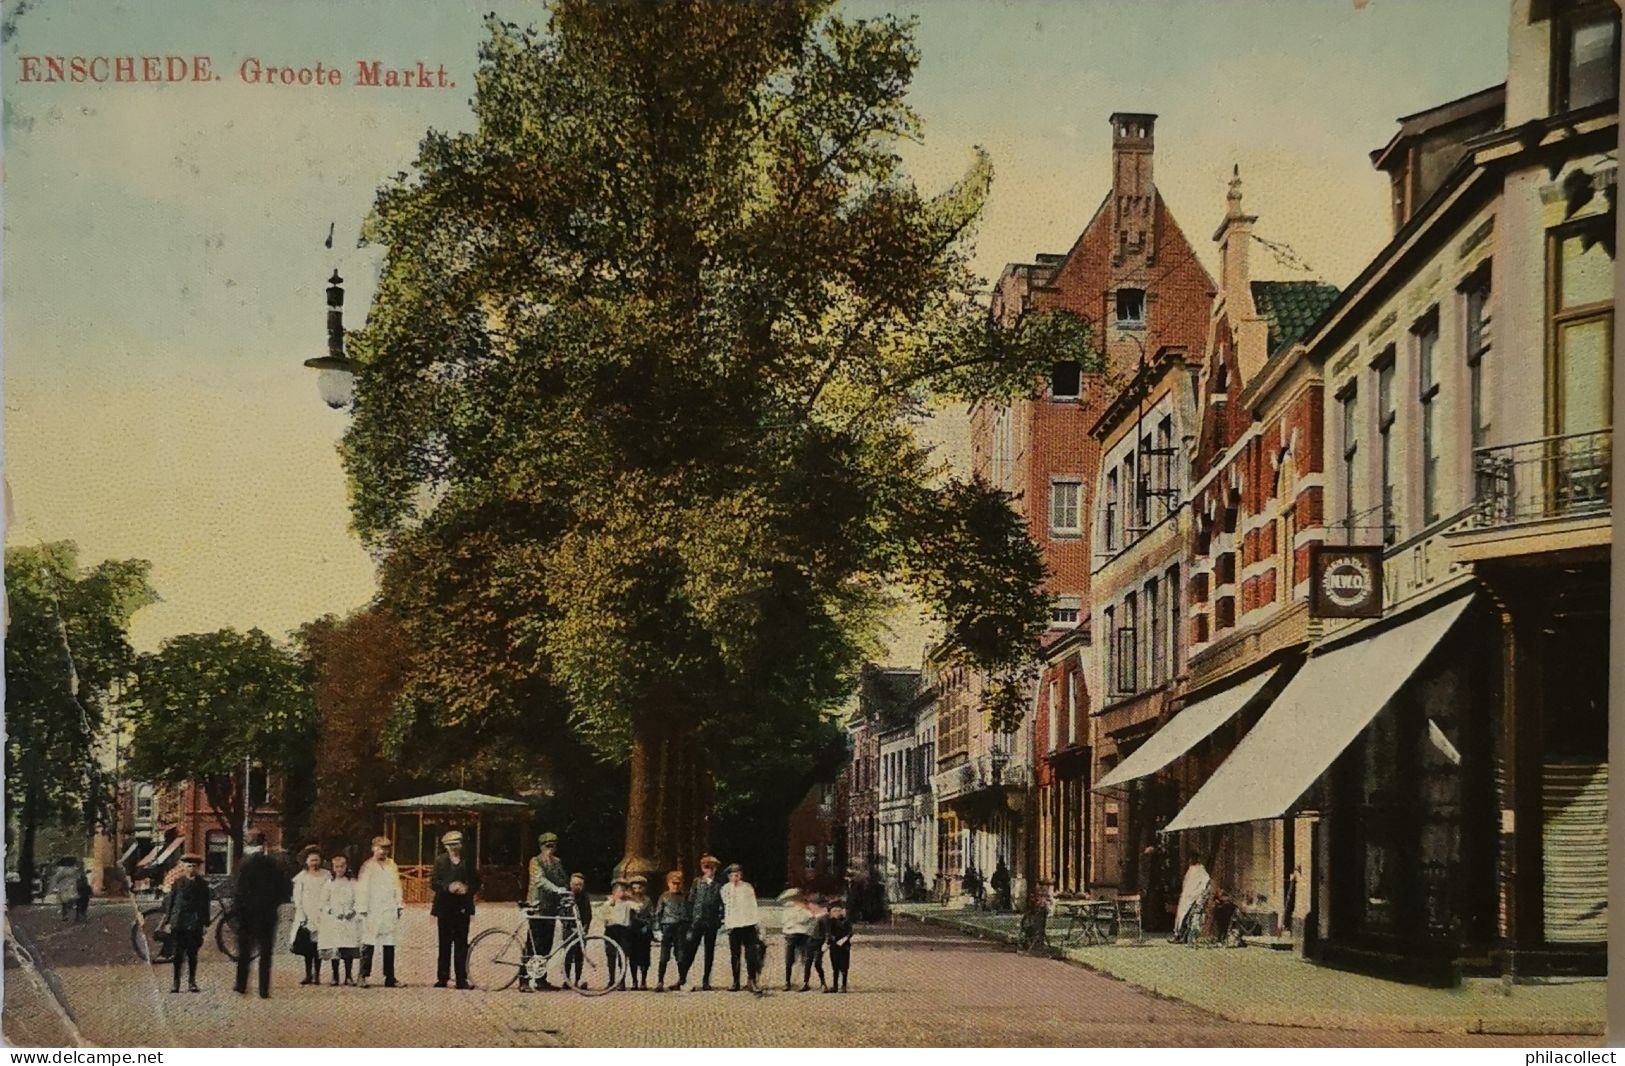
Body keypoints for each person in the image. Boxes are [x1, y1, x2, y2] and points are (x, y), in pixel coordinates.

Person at [234, 832, 284, 998]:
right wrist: (272, 904)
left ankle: (241, 985)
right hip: (267, 914)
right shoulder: (273, 864)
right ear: (263, 846)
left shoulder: (243, 864)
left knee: (244, 951)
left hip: (247, 914)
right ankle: (264, 989)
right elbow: (283, 889)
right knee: (265, 953)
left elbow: (238, 891)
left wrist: (240, 911)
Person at [430, 830, 480, 989]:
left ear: (461, 845)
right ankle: (442, 977)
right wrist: (448, 887)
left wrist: (467, 888)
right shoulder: (440, 861)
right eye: (450, 845)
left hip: (462, 908)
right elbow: (433, 883)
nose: (453, 848)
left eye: (456, 844)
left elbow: (477, 882)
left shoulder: (468, 861)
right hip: (445, 906)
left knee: (461, 944)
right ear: (445, 846)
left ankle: (461, 979)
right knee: (444, 943)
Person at [520, 831, 567, 992]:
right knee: (533, 944)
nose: (550, 849)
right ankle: (524, 980)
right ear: (541, 846)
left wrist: (566, 890)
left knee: (546, 945)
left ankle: (541, 979)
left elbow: (562, 880)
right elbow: (539, 880)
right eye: (547, 846)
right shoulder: (535, 861)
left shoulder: (557, 862)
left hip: (551, 908)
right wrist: (557, 889)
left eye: (553, 845)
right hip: (537, 907)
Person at [356, 836, 404, 988]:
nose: (383, 851)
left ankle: (389, 977)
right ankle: (363, 975)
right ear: (373, 848)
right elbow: (362, 888)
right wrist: (362, 908)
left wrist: (398, 904)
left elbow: (397, 884)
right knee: (368, 942)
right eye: (380, 848)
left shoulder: (392, 864)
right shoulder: (367, 866)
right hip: (372, 909)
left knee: (389, 943)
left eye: (386, 848)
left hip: (388, 908)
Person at [165, 855, 210, 993]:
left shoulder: (202, 885)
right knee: (178, 954)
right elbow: (171, 903)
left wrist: (204, 924)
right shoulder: (178, 883)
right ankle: (176, 982)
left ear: (198, 868)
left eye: (194, 866)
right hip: (179, 921)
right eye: (188, 866)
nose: (191, 869)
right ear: (183, 867)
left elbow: (205, 905)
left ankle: (192, 981)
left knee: (192, 954)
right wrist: (168, 921)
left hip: (194, 923)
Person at [720, 863, 763, 996]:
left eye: (737, 874)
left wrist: (756, 923)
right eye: (732, 875)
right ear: (728, 876)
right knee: (735, 954)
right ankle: (735, 981)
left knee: (750, 954)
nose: (735, 877)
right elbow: (727, 906)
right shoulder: (725, 889)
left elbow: (753, 906)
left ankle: (752, 980)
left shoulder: (747, 887)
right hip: (734, 925)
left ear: (741, 875)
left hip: (748, 924)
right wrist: (728, 925)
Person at [318, 853, 361, 986]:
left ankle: (348, 976)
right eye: (337, 867)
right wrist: (332, 911)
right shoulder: (329, 884)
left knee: (348, 948)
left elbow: (359, 900)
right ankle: (335, 975)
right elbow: (323, 902)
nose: (339, 869)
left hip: (349, 919)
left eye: (342, 866)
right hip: (334, 920)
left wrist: (352, 911)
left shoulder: (352, 883)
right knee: (335, 948)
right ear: (333, 868)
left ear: (346, 867)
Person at [683, 854, 724, 991]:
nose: (709, 870)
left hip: (711, 921)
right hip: (697, 920)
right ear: (702, 868)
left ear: (716, 869)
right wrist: (690, 919)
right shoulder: (697, 882)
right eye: (706, 867)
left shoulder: (719, 885)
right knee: (690, 949)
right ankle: (683, 977)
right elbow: (690, 901)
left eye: (712, 868)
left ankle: (706, 980)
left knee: (709, 951)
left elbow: (723, 903)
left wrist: (720, 918)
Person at [289, 846, 328, 985]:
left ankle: (317, 974)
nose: (314, 863)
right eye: (311, 860)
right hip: (306, 912)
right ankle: (308, 974)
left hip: (321, 913)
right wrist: (301, 914)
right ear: (306, 861)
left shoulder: (326, 875)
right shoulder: (302, 877)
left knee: (318, 946)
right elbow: (297, 897)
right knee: (307, 947)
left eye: (317, 860)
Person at [652, 870, 688, 992]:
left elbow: (687, 914)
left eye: (678, 883)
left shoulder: (684, 897)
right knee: (664, 956)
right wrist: (657, 929)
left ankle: (682, 980)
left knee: (681, 956)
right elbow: (658, 914)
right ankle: (660, 981)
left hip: (680, 928)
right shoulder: (664, 897)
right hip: (667, 927)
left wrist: (688, 928)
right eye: (673, 883)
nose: (676, 886)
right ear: (668, 883)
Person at [780, 889, 816, 992]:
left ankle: (804, 982)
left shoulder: (806, 910)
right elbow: (784, 922)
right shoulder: (788, 910)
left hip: (803, 934)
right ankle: (787, 981)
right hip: (791, 934)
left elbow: (808, 920)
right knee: (789, 959)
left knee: (805, 959)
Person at [561, 872, 592, 987]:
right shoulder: (565, 896)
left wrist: (584, 928)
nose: (577, 887)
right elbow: (562, 914)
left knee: (579, 955)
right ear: (570, 884)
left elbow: (588, 915)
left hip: (581, 930)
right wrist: (569, 926)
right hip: (569, 930)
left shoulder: (584, 897)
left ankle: (577, 979)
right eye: (575, 884)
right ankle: (567, 979)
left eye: (580, 885)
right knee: (567, 955)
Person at [603, 879, 633, 989]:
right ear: (614, 892)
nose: (622, 893)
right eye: (619, 890)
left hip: (624, 931)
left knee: (623, 956)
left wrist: (631, 897)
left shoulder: (628, 904)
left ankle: (622, 981)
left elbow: (639, 907)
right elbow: (603, 917)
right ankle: (611, 980)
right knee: (611, 955)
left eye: (624, 890)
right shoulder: (608, 904)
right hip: (611, 930)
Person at [627, 875, 653, 990]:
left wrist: (648, 926)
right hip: (631, 931)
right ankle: (634, 981)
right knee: (632, 956)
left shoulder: (648, 900)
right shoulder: (628, 900)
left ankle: (643, 980)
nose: (637, 890)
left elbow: (652, 916)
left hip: (644, 931)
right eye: (635, 888)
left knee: (644, 957)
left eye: (640, 888)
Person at [824, 901, 853, 993]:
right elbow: (829, 933)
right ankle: (835, 985)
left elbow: (850, 933)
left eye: (839, 910)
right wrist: (829, 942)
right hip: (834, 946)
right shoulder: (830, 922)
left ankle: (843, 986)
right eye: (835, 910)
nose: (837, 912)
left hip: (844, 947)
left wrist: (844, 939)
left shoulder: (846, 921)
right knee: (835, 966)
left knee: (844, 967)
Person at [803, 892, 829, 990]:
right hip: (810, 940)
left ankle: (823, 983)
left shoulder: (824, 916)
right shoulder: (813, 915)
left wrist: (826, 943)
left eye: (812, 904)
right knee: (807, 962)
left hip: (819, 941)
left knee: (817, 963)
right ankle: (805, 982)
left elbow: (827, 932)